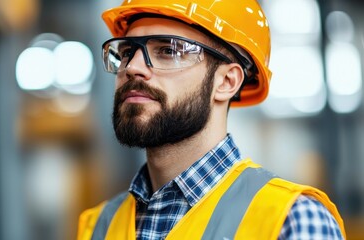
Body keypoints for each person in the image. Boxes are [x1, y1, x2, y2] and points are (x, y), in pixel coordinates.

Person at [78, 0, 346, 239]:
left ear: (227, 82)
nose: (132, 68)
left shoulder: (293, 222)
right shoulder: (97, 226)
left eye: (168, 51)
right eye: (126, 53)